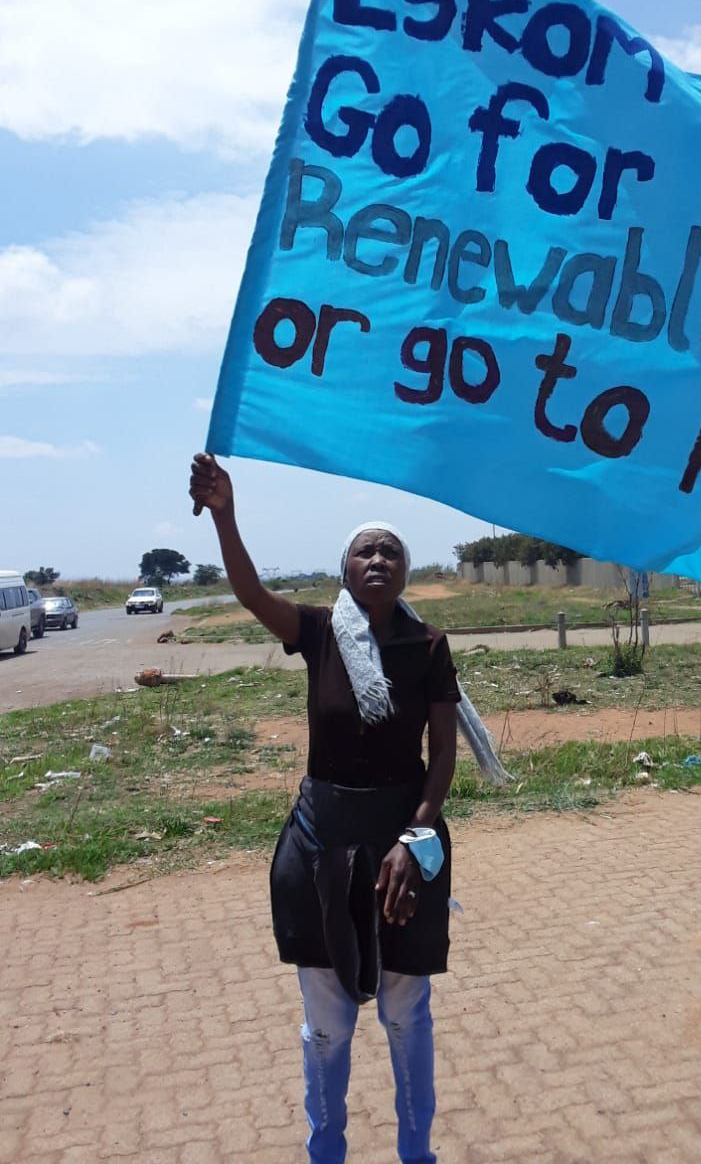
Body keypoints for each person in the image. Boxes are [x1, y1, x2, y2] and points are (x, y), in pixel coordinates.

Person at [189, 452, 459, 1164]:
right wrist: (225, 514)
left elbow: (444, 756)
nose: (377, 558)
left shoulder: (429, 647)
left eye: (390, 550)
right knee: (328, 1026)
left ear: (405, 570)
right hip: (323, 847)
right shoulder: (315, 633)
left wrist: (414, 838)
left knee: (406, 1014)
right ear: (345, 568)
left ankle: (415, 1153)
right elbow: (251, 595)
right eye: (364, 549)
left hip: (407, 843)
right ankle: (326, 1152)